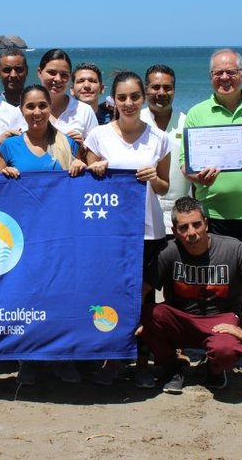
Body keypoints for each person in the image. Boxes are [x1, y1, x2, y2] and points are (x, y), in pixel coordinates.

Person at [179, 48, 242, 379]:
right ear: (210, 77)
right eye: (218, 73)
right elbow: (185, 164)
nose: (225, 78)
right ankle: (222, 347)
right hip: (215, 215)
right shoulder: (197, 113)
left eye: (231, 72)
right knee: (219, 286)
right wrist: (196, 176)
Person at [84, 71, 171, 387]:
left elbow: (164, 187)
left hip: (148, 231)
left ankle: (143, 362)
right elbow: (87, 181)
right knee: (110, 294)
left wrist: (154, 178)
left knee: (145, 300)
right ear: (114, 100)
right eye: (122, 97)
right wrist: (94, 168)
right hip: (110, 232)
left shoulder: (159, 138)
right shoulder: (99, 136)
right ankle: (113, 358)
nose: (129, 103)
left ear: (143, 98)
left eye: (135, 96)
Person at [0, 84, 87, 385]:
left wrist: (80, 164)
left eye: (42, 106)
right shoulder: (8, 147)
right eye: (30, 106)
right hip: (22, 236)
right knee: (26, 298)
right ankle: (29, 361)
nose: (36, 112)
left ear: (50, 108)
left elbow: (82, 183)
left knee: (61, 297)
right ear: (21, 110)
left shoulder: (68, 143)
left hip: (61, 235)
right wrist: (4, 174)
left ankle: (63, 359)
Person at [141, 197, 242, 393]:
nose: (191, 232)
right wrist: (134, 324)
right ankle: (173, 367)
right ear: (175, 231)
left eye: (196, 224)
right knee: (149, 314)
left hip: (220, 323)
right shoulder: (169, 252)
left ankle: (214, 370)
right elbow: (142, 290)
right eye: (183, 227)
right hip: (181, 321)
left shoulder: (232, 248)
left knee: (226, 351)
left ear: (206, 223)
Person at [141, 65, 190, 231]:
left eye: (167, 88)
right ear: (145, 90)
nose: (161, 93)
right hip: (141, 213)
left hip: (180, 215)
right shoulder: (134, 122)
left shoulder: (187, 123)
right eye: (155, 87)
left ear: (174, 90)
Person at [37, 49, 98, 145]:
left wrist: (82, 147)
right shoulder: (24, 110)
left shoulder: (84, 111)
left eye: (64, 75)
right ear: (39, 72)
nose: (58, 79)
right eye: (52, 72)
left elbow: (96, 150)